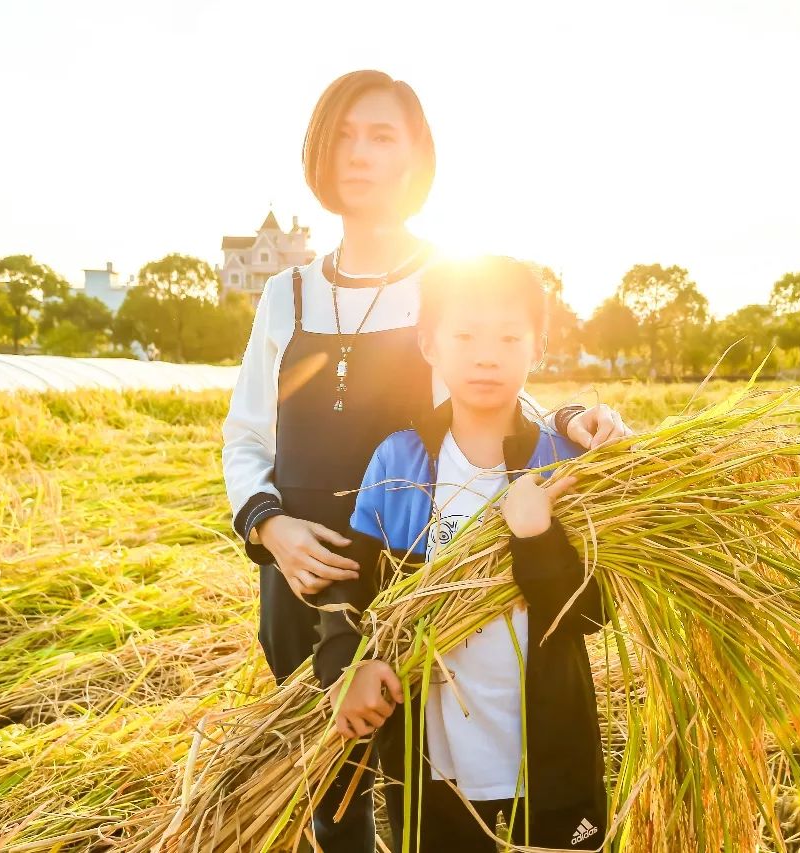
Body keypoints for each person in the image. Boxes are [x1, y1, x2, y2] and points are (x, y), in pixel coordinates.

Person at [220, 70, 629, 853]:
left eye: (383, 137)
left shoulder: (446, 281)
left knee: (422, 784)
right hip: (308, 583)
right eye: (343, 134)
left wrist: (570, 418)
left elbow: (491, 394)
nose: (359, 154)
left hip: (415, 577)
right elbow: (245, 438)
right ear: (317, 150)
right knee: (329, 800)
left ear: (419, 159)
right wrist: (272, 530)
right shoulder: (287, 292)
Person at [314, 256, 608, 851]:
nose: (485, 355)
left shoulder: (565, 462)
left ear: (539, 348)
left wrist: (537, 538)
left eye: (508, 337)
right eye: (465, 335)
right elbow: (349, 580)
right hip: (432, 758)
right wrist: (346, 666)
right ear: (430, 345)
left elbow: (593, 612)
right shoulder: (399, 464)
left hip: (551, 752)